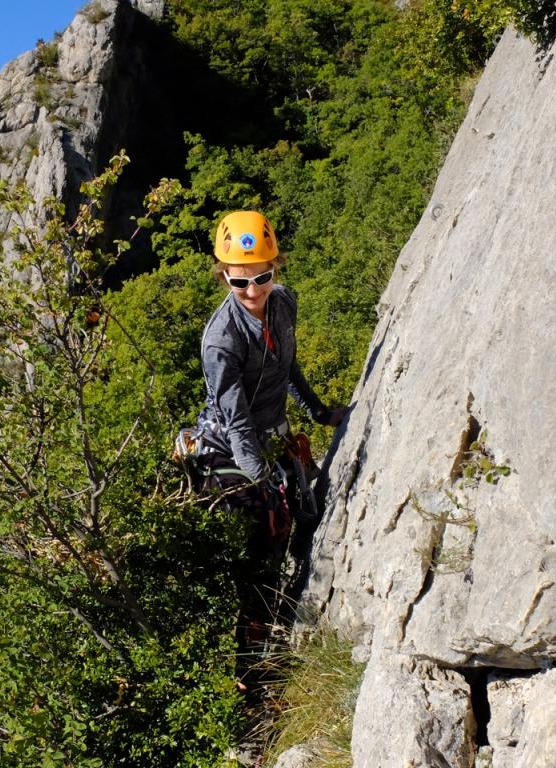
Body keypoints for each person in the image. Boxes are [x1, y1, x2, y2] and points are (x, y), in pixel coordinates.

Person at [194, 210, 346, 668]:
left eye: (261, 276)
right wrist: (261, 481)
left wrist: (317, 411)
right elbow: (235, 418)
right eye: (239, 282)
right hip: (228, 442)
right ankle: (251, 662)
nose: (253, 291)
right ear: (224, 277)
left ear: (275, 268)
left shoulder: (284, 302)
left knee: (305, 514)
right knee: (265, 536)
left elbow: (288, 367)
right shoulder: (220, 341)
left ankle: (284, 612)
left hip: (271, 432)